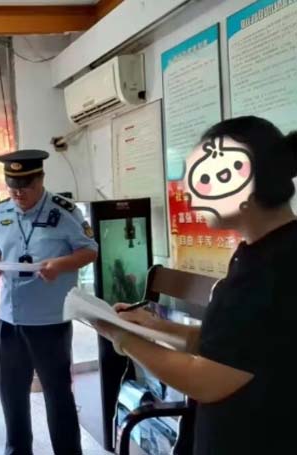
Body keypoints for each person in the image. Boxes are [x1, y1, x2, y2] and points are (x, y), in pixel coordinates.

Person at [94, 117, 297, 454]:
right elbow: (229, 345)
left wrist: (123, 339)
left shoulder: (275, 267)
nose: (190, 197)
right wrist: (154, 326)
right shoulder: (258, 252)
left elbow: (206, 379)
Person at [0, 149, 98, 455]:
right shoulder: (0, 212)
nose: (18, 194)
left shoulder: (64, 212)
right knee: (12, 393)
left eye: (26, 187)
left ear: (41, 179)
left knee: (57, 393)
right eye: (13, 188)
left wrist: (60, 265)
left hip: (50, 320)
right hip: (10, 318)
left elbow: (90, 250)